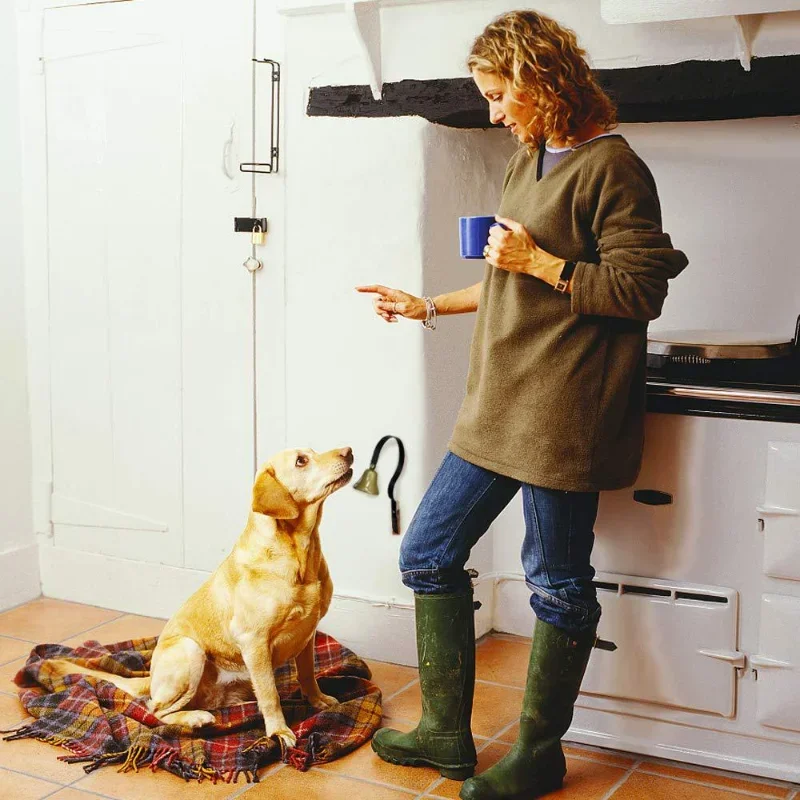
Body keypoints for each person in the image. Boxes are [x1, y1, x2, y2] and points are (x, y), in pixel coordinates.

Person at [356, 10, 688, 800]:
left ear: (541, 82)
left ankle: (540, 753)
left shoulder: (614, 167)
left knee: (556, 582)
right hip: (499, 404)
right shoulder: (529, 154)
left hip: (564, 412)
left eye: (502, 95)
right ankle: (445, 735)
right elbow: (510, 279)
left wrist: (542, 260)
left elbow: (641, 290)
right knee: (428, 554)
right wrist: (426, 304)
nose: (495, 113)